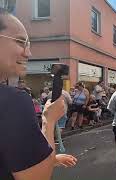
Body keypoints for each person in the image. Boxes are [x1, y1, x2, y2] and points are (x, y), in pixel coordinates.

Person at [0, 8, 76, 180]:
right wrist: (48, 121)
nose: (28, 53)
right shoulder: (13, 101)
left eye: (28, 44)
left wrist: (50, 160)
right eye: (20, 42)